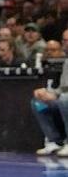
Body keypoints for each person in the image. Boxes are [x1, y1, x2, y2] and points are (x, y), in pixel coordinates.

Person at [32, 29, 68, 157]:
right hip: (63, 97)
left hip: (65, 99)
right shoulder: (67, 61)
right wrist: (47, 92)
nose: (66, 43)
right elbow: (63, 88)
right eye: (64, 40)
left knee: (64, 99)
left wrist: (56, 95)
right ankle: (54, 141)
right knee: (38, 102)